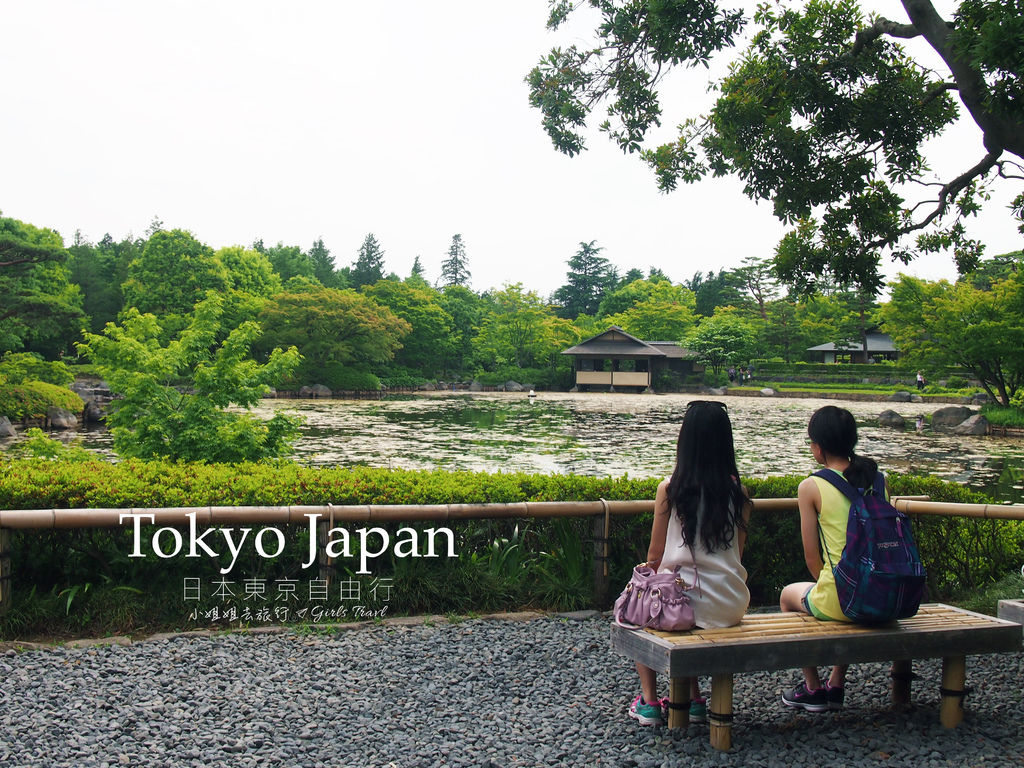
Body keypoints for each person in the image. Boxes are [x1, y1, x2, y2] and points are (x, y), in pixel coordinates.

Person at [629, 400, 752, 726]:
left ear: (685, 442)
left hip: (682, 604)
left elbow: (654, 557)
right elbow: (738, 554)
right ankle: (695, 699)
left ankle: (649, 701)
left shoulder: (671, 490)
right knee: (687, 606)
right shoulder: (738, 493)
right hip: (729, 604)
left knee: (637, 605)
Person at [778, 405, 882, 712]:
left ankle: (813, 688)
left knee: (787, 596)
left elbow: (813, 559)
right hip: (881, 593)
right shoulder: (878, 480)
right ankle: (836, 684)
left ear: (819, 447)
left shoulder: (811, 486)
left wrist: (833, 587)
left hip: (842, 598)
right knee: (855, 587)